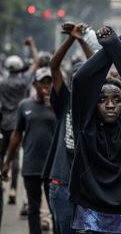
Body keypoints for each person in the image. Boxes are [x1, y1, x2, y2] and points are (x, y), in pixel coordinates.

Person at [69, 27, 121, 233]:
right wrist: (116, 42)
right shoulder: (84, 127)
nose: (110, 104)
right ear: (93, 105)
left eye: (117, 99)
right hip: (89, 213)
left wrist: (116, 43)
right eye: (102, 100)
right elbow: (81, 80)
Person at [40, 22, 95, 234]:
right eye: (77, 79)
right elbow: (54, 66)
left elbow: (99, 67)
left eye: (87, 79)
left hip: (89, 187)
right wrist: (71, 38)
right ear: (72, 82)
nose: (81, 83)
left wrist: (82, 41)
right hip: (62, 183)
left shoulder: (98, 104)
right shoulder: (65, 100)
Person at [1, 67, 56, 234]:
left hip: (52, 166)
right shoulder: (25, 105)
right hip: (31, 164)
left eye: (49, 81)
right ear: (34, 84)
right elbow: (17, 135)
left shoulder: (58, 105)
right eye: (42, 82)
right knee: (33, 209)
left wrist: (52, 106)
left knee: (55, 209)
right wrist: (7, 163)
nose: (46, 85)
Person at [0, 37, 40, 221]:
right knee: (16, 156)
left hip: (4, 122)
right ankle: (14, 188)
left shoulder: (2, 83)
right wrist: (32, 46)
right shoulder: (24, 81)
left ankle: (3, 177)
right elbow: (36, 63)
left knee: (4, 154)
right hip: (20, 120)